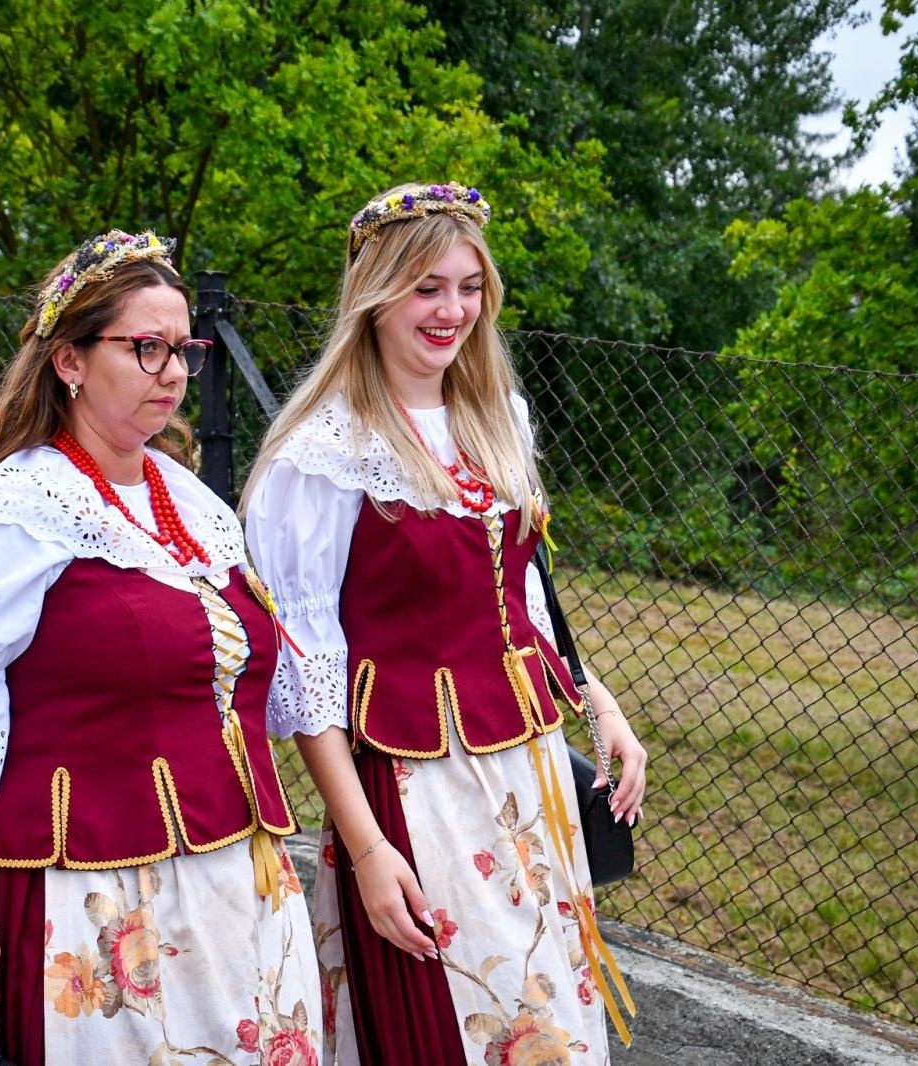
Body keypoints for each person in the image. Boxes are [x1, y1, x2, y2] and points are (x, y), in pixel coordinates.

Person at [0, 230, 322, 1064]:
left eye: (183, 349)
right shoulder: (12, 509)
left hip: (235, 883)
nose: (172, 371)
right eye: (144, 346)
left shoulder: (191, 503)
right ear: (71, 362)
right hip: (90, 900)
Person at [241, 182, 650, 1066]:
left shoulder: (496, 417)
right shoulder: (323, 450)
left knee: (543, 1020)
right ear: (375, 294)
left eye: (470, 287)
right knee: (450, 1029)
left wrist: (599, 705)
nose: (452, 310)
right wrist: (366, 847)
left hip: (529, 771)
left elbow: (521, 597)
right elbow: (307, 675)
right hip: (417, 787)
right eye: (427, 287)